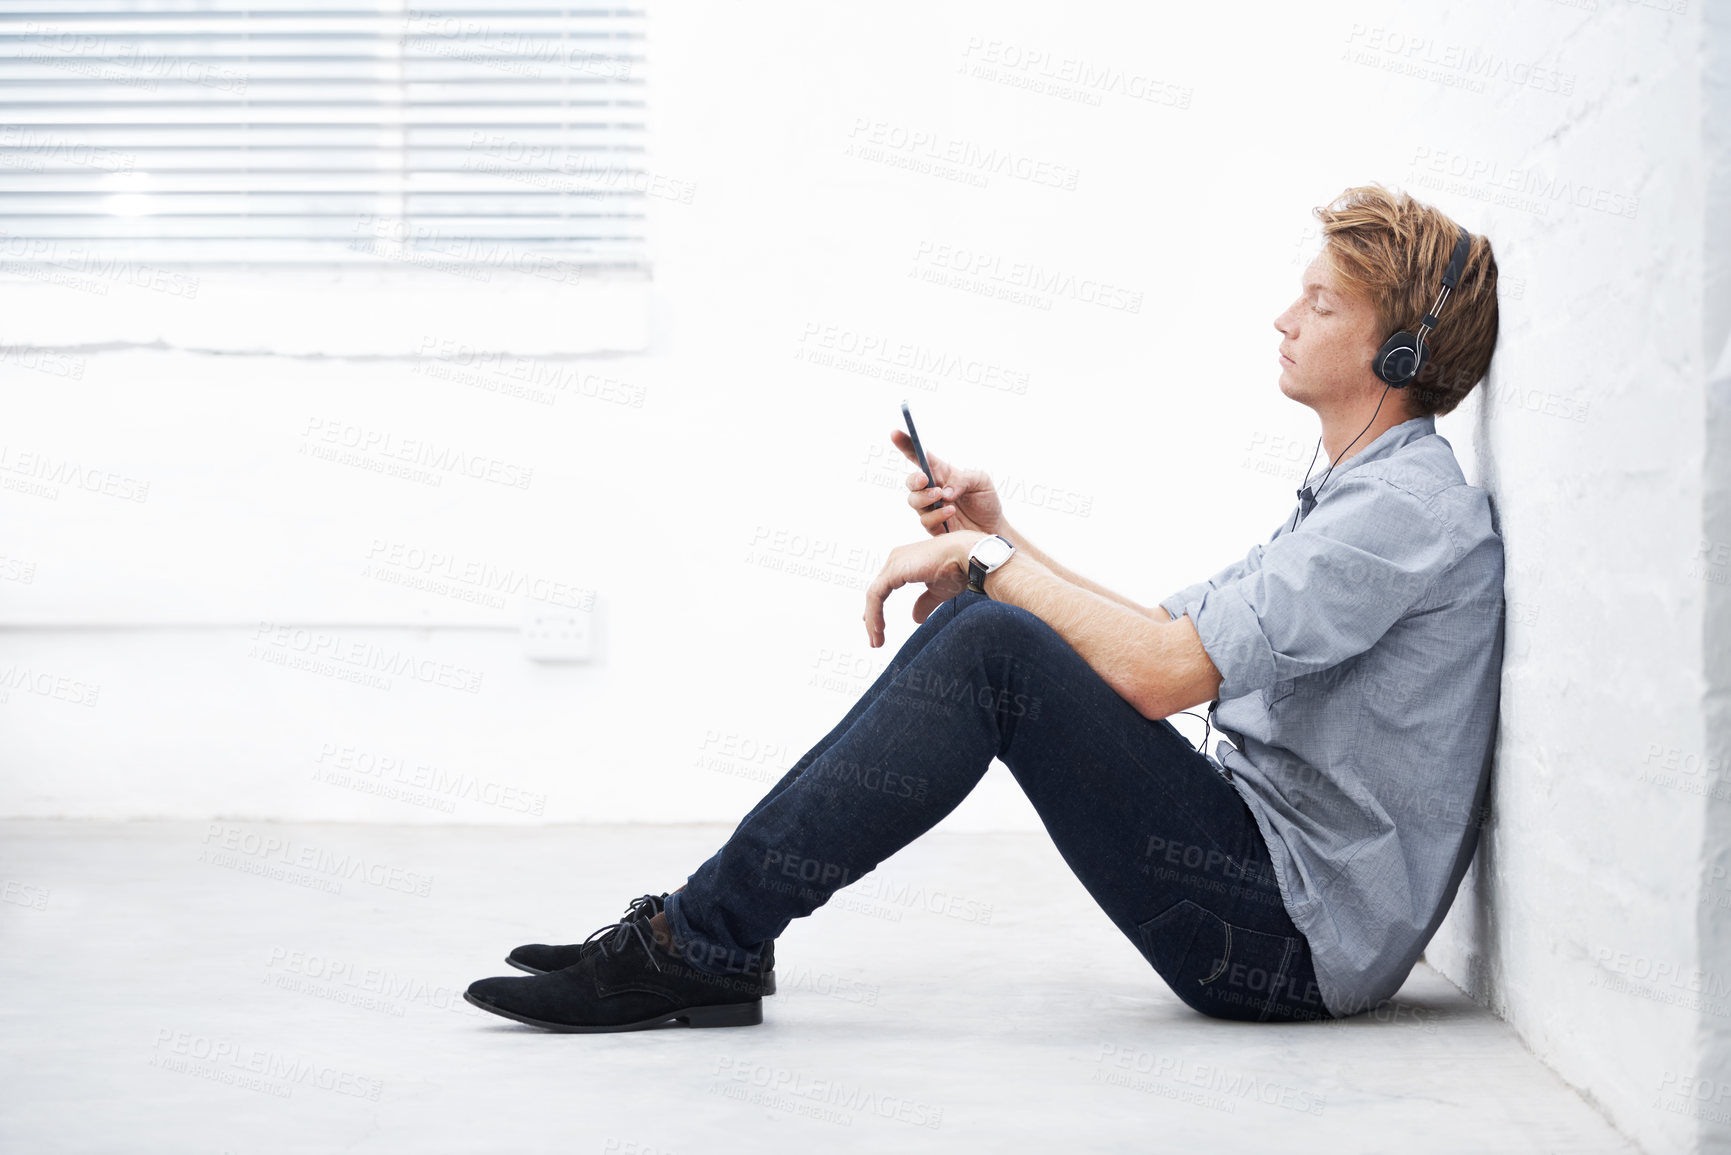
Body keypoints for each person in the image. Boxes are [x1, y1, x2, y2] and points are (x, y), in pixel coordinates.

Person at [464, 183, 1505, 1033]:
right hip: (1259, 894)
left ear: (1400, 353)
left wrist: (987, 560)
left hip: (1284, 946)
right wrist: (1001, 537)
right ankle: (703, 936)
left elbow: (1160, 674)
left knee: (991, 637)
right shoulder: (1359, 498)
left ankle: (698, 942)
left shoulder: (1402, 514)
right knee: (986, 623)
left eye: (1321, 305)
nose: (1284, 319)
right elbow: (1155, 634)